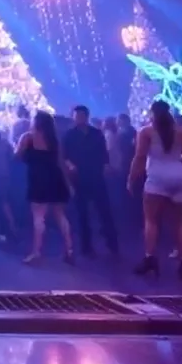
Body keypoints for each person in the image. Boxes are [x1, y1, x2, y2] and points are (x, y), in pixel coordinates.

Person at [128, 101, 182, 279]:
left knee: (151, 220)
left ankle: (150, 258)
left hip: (157, 178)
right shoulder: (180, 131)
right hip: (180, 176)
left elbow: (140, 157)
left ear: (152, 113)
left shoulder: (146, 131)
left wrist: (131, 178)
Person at [17, 111, 74, 264]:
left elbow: (17, 155)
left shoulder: (28, 137)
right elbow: (61, 163)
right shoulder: (54, 140)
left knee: (38, 216)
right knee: (60, 215)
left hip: (37, 179)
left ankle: (37, 252)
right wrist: (68, 184)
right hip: (55, 179)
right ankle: (69, 249)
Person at [63, 105, 118, 257]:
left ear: (86, 116)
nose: (78, 118)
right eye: (76, 115)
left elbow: (103, 152)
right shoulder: (69, 135)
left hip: (96, 176)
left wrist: (106, 165)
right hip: (79, 178)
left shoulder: (96, 133)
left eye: (81, 115)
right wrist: (70, 165)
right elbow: (64, 155)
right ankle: (86, 247)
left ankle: (112, 244)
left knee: (105, 211)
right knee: (82, 214)